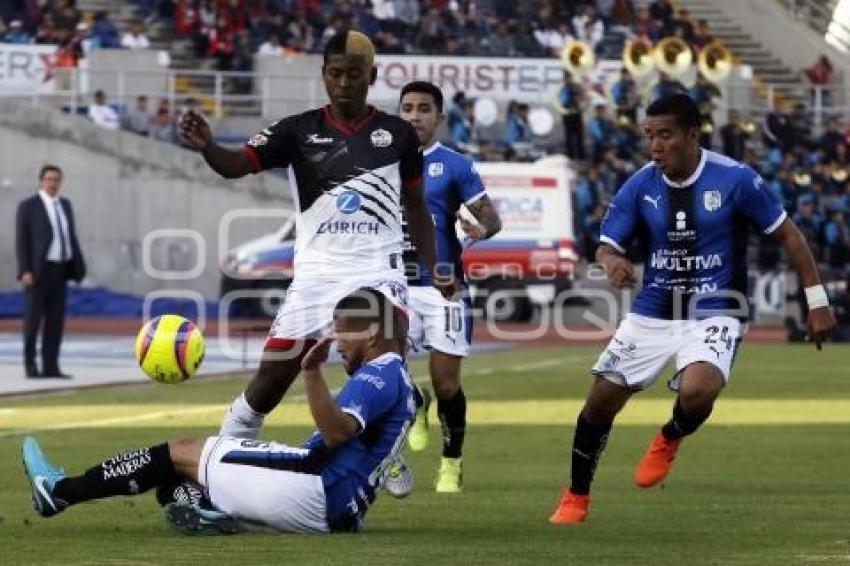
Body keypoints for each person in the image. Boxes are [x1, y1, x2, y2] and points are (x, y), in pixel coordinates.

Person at [549, 94, 836, 524]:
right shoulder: (641, 184)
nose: (655, 146)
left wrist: (817, 302)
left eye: (665, 135)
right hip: (654, 309)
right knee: (600, 403)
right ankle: (576, 495)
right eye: (649, 136)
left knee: (698, 391)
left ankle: (670, 435)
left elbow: (790, 237)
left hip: (718, 305)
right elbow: (608, 245)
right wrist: (613, 262)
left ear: (691, 134)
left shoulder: (736, 180)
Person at [177, 30, 444, 441]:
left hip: (378, 271)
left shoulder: (398, 135)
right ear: (323, 75)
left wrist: (431, 269)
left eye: (353, 75)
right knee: (269, 382)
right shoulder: (296, 132)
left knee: (379, 360)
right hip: (316, 275)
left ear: (371, 76)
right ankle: (220, 466)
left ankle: (385, 450)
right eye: (335, 74)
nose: (343, 83)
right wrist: (208, 145)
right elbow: (235, 165)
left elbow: (416, 206)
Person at [22, 288, 415, 534]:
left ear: (371, 334)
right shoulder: (402, 380)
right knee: (174, 486)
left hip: (313, 485)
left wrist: (310, 373)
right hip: (337, 509)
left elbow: (337, 434)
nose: (338, 342)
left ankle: (59, 492)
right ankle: (207, 513)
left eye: (343, 331)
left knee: (180, 451)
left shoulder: (378, 374)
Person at [387, 80, 502, 494]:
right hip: (392, 285)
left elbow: (492, 219)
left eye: (423, 108)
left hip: (444, 288)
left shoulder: (455, 165)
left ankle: (451, 464)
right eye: (407, 108)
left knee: (448, 383)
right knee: (382, 373)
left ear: (438, 117)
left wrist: (481, 228)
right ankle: (413, 404)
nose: (414, 115)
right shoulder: (380, 163)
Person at [15, 165, 86, 379]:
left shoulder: (65, 205)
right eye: (48, 179)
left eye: (56, 179)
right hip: (38, 271)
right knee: (33, 321)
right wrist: (24, 270)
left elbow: (70, 236)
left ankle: (51, 366)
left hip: (60, 270)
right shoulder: (29, 207)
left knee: (55, 322)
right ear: (41, 181)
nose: (52, 183)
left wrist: (77, 265)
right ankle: (30, 366)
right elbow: (22, 241)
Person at [554, 71, 586, 160]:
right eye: (566, 78)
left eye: (569, 77)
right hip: (567, 113)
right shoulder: (562, 88)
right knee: (569, 135)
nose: (568, 79)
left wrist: (579, 96)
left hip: (576, 112)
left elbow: (583, 98)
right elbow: (561, 101)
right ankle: (570, 155)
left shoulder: (576, 87)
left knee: (579, 135)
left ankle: (580, 155)